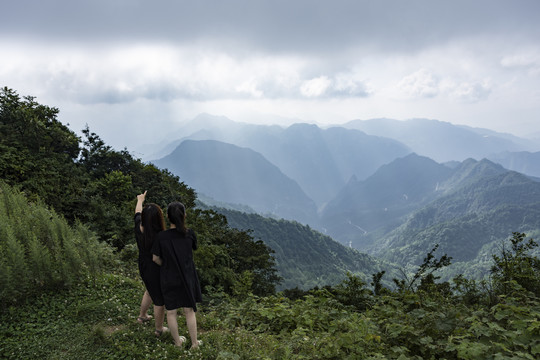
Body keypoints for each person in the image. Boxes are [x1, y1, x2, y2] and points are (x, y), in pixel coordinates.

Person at [152, 201, 202, 349]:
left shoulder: (161, 237)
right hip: (187, 277)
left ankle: (178, 344)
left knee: (171, 312)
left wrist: (166, 265)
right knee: (189, 312)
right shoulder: (189, 234)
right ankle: (194, 344)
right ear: (184, 216)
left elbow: (155, 258)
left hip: (169, 277)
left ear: (168, 217)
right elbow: (193, 248)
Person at [134, 191, 168, 337]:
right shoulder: (159, 236)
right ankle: (159, 329)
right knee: (159, 300)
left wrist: (140, 200)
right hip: (155, 268)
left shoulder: (138, 227)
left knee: (149, 290)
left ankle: (142, 316)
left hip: (142, 265)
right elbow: (157, 258)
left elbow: (137, 212)